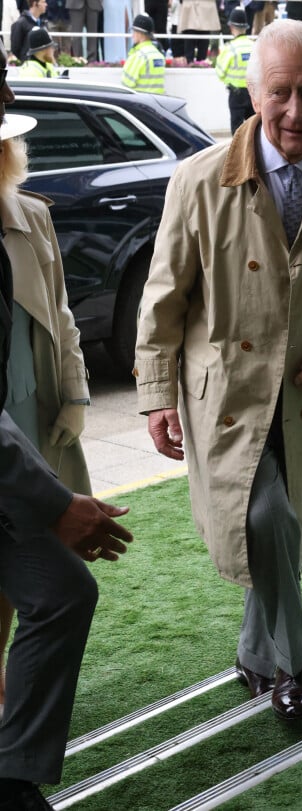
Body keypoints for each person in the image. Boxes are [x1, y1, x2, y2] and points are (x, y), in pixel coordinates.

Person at [134, 18, 302, 721]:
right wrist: (157, 394)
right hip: (228, 397)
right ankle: (293, 666)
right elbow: (164, 298)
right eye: (279, 92)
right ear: (253, 94)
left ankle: (253, 654)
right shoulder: (197, 182)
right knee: (268, 516)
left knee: (282, 526)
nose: (294, 110)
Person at [0, 47, 133, 809]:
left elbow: (64, 327)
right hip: (13, 470)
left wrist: (74, 405)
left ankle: (13, 772)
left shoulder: (32, 219)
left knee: (53, 595)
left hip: (28, 450)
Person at [0, 111, 92, 715]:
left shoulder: (30, 216)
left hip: (26, 413)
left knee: (24, 563)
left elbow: (59, 315)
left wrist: (75, 394)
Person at [215, 6, 255, 135]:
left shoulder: (230, 48)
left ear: (231, 27)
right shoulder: (254, 46)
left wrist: (230, 80)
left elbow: (220, 72)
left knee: (237, 130)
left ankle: (238, 154)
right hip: (253, 92)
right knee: (254, 128)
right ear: (246, 27)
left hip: (236, 94)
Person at [122, 13, 165, 94]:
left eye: (134, 31)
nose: (132, 35)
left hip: (141, 101)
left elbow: (126, 83)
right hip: (158, 101)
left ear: (140, 33)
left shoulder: (138, 56)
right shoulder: (159, 55)